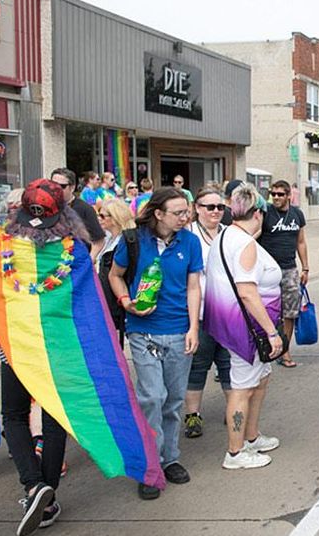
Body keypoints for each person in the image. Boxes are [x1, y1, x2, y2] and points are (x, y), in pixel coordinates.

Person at [1, 180, 89, 536]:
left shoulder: (3, 247)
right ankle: (47, 497)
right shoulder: (74, 251)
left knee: (14, 415)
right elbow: (87, 306)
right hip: (59, 347)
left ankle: (34, 486)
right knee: (53, 417)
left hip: (17, 346)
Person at [109, 187, 203, 500]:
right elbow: (115, 275)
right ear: (158, 213)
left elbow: (193, 287)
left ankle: (170, 457)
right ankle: (150, 465)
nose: (185, 217)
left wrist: (193, 327)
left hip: (179, 330)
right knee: (151, 396)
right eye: (178, 212)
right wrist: (127, 302)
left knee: (173, 399)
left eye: (186, 211)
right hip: (143, 331)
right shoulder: (133, 240)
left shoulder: (190, 242)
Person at [203, 184, 282, 470]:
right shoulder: (244, 244)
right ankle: (235, 453)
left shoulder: (228, 236)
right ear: (258, 213)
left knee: (259, 379)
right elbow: (247, 291)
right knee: (242, 388)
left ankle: (250, 437)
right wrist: (271, 332)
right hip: (247, 328)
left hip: (238, 324)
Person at [182, 188, 231, 439]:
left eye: (220, 207)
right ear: (197, 208)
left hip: (228, 313)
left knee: (228, 363)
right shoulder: (188, 235)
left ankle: (234, 409)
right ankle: (193, 415)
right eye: (209, 207)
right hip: (199, 312)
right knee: (198, 365)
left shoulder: (230, 234)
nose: (215, 212)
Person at [258, 180, 308, 369]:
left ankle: (285, 350)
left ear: (289, 195)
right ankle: (265, 345)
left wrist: (306, 267)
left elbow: (301, 242)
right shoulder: (265, 212)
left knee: (290, 312)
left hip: (289, 270)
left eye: (280, 194)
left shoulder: (297, 214)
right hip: (267, 271)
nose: (276, 197)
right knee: (266, 310)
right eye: (274, 194)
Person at [96, 197, 136, 346]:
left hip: (116, 301)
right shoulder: (109, 239)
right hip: (108, 297)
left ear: (115, 218)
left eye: (102, 216)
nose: (99, 219)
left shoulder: (123, 241)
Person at [50, 168, 106, 260]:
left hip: (76, 264)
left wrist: (88, 262)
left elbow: (99, 240)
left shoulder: (85, 209)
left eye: (62, 186)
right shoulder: (45, 207)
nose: (56, 189)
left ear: (72, 188)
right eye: (53, 185)